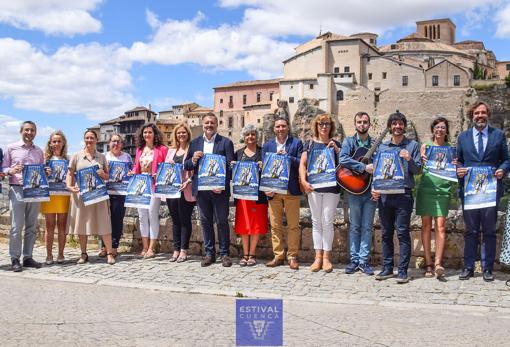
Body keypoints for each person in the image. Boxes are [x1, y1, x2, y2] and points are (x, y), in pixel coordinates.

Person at [456, 102, 510, 281]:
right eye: (477, 112)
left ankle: (487, 269)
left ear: (488, 115)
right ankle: (468, 267)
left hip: (491, 191)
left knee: (489, 230)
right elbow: (458, 162)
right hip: (470, 192)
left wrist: (502, 169)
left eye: (483, 112)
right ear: (472, 115)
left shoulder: (498, 135)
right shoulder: (463, 137)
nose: (480, 115)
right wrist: (460, 170)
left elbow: (506, 160)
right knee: (470, 230)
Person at [372, 111, 421, 284]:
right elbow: (378, 172)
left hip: (404, 195)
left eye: (400, 123)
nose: (397, 126)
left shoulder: (412, 146)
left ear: (404, 126)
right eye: (394, 124)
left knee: (402, 233)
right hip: (385, 195)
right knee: (385, 233)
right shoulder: (383, 147)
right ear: (390, 127)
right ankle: (387, 269)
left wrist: (409, 159)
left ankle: (402, 271)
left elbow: (418, 171)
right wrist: (374, 188)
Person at [184, 112, 235, 267]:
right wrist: (193, 160)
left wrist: (222, 185)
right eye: (206, 123)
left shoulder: (226, 142)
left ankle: (225, 254)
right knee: (205, 222)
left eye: (212, 123)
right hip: (202, 190)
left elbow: (230, 168)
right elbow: (186, 165)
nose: (209, 126)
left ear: (216, 124)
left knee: (222, 221)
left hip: (219, 191)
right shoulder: (195, 143)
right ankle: (209, 253)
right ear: (202, 124)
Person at [66, 130, 115, 265]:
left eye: (92, 138)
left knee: (104, 222)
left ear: (96, 139)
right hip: (82, 195)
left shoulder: (102, 157)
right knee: (82, 223)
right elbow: (70, 173)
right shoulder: (76, 156)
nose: (89, 140)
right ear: (84, 139)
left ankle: (109, 253)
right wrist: (69, 186)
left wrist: (102, 174)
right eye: (87, 138)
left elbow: (107, 176)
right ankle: (83, 253)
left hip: (99, 195)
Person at [299, 113, 340, 272]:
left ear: (331, 126)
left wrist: (337, 150)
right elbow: (303, 164)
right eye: (321, 124)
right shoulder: (309, 145)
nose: (324, 127)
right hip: (313, 188)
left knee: (327, 221)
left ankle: (327, 258)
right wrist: (303, 181)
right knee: (316, 222)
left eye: (327, 124)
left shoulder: (336, 144)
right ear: (316, 126)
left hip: (331, 189)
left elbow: (344, 166)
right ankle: (317, 258)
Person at [2, 121, 45, 272]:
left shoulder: (39, 151)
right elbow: (4, 168)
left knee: (32, 227)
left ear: (35, 133)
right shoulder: (11, 148)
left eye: (32, 130)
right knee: (16, 227)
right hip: (17, 190)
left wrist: (46, 172)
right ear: (21, 131)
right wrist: (11, 170)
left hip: (34, 190)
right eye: (27, 130)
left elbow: (41, 170)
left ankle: (28, 257)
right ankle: (15, 258)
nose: (29, 132)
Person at [415, 117, 454, 279]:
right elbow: (418, 168)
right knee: (425, 226)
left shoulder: (451, 149)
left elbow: (454, 168)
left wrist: (456, 163)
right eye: (437, 127)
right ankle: (428, 263)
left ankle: (438, 263)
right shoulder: (425, 147)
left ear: (446, 131)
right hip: (426, 188)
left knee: (441, 226)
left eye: (443, 127)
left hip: (443, 189)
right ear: (433, 130)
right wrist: (421, 160)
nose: (439, 130)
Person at [339, 112, 377, 275]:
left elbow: (381, 163)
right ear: (355, 124)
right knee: (354, 226)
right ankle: (354, 260)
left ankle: (363, 261)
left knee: (367, 227)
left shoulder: (375, 143)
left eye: (365, 122)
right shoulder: (349, 141)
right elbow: (343, 159)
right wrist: (363, 167)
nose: (362, 124)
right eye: (359, 122)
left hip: (370, 190)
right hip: (353, 189)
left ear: (369, 124)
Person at [263, 117, 303, 270]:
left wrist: (288, 157)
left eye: (283, 126)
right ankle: (278, 256)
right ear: (274, 129)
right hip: (273, 190)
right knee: (275, 226)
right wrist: (267, 186)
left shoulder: (296, 143)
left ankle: (292, 257)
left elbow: (301, 162)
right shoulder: (267, 145)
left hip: (291, 189)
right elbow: (265, 168)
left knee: (293, 226)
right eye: (278, 126)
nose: (280, 129)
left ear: (288, 127)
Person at [232, 124, 268, 266]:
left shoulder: (263, 152)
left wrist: (263, 166)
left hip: (258, 195)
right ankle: (244, 254)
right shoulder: (238, 153)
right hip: (242, 196)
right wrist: (233, 166)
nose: (250, 137)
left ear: (256, 136)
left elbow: (270, 171)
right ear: (244, 137)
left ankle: (252, 254)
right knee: (243, 225)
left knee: (256, 225)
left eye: (253, 134)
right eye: (247, 134)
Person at [132, 123, 168, 258]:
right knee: (142, 217)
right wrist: (133, 173)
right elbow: (137, 166)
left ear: (155, 134)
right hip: (141, 186)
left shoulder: (162, 149)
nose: (147, 134)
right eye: (145, 132)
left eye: (150, 132)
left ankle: (152, 248)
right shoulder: (139, 149)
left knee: (153, 214)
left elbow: (166, 167)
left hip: (154, 187)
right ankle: (145, 246)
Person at [98, 133, 133, 259]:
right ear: (109, 143)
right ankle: (104, 247)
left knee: (117, 221)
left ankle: (113, 247)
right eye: (113, 141)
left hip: (120, 194)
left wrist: (131, 173)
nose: (115, 144)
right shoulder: (104, 157)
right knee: (104, 221)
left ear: (122, 144)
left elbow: (132, 172)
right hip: (105, 192)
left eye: (118, 141)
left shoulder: (127, 157)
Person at [165, 122, 196, 263]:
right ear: (175, 135)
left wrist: (188, 181)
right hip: (172, 191)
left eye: (183, 132)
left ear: (187, 134)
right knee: (175, 221)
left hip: (186, 190)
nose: (181, 135)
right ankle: (176, 250)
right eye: (179, 133)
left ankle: (184, 250)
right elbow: (165, 170)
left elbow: (196, 170)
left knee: (185, 220)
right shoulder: (170, 152)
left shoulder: (192, 150)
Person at [40, 130, 70, 264]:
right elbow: (39, 179)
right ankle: (49, 255)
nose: (57, 143)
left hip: (64, 196)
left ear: (63, 143)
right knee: (49, 226)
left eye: (59, 141)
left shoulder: (68, 159)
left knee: (62, 226)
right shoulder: (45, 160)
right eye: (54, 141)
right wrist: (44, 173)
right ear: (50, 143)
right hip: (50, 196)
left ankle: (61, 254)